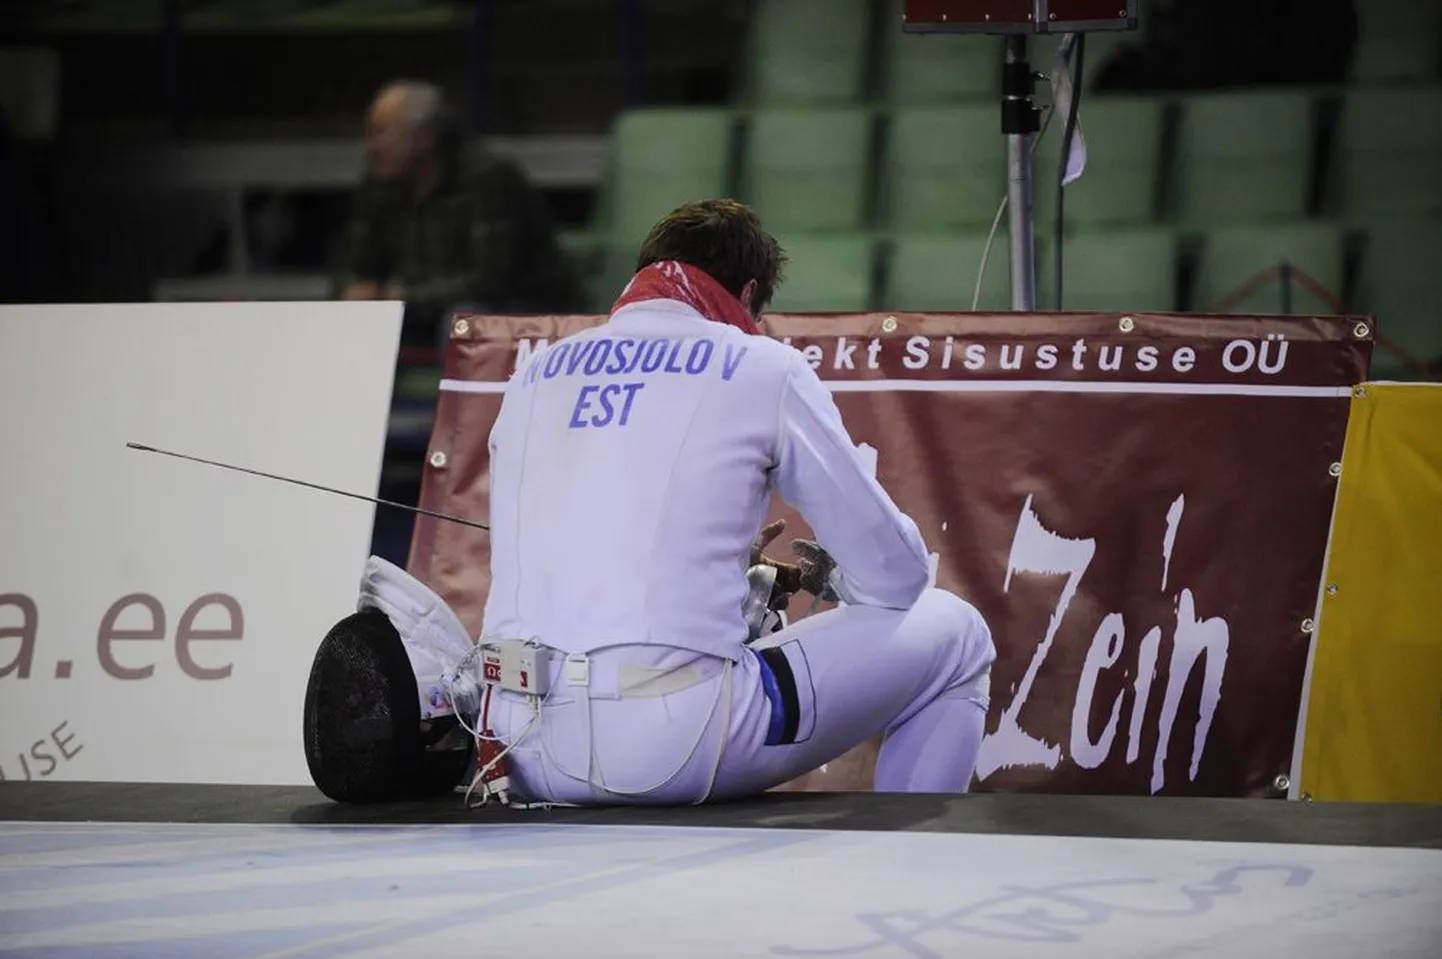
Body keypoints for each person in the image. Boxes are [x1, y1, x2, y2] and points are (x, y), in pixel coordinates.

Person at [473, 199, 996, 804]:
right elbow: (897, 579)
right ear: (747, 295)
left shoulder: (533, 375)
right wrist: (843, 580)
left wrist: (715, 574)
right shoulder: (762, 365)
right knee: (958, 634)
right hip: (668, 748)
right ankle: (917, 877)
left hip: (516, 744)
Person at [333, 80, 582, 333]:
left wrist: (399, 298)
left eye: (379, 133)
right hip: (417, 310)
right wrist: (357, 291)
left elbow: (491, 281)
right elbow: (352, 264)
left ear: (425, 137)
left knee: (463, 322)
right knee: (351, 321)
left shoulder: (487, 178)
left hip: (514, 311)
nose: (370, 147)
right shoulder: (379, 185)